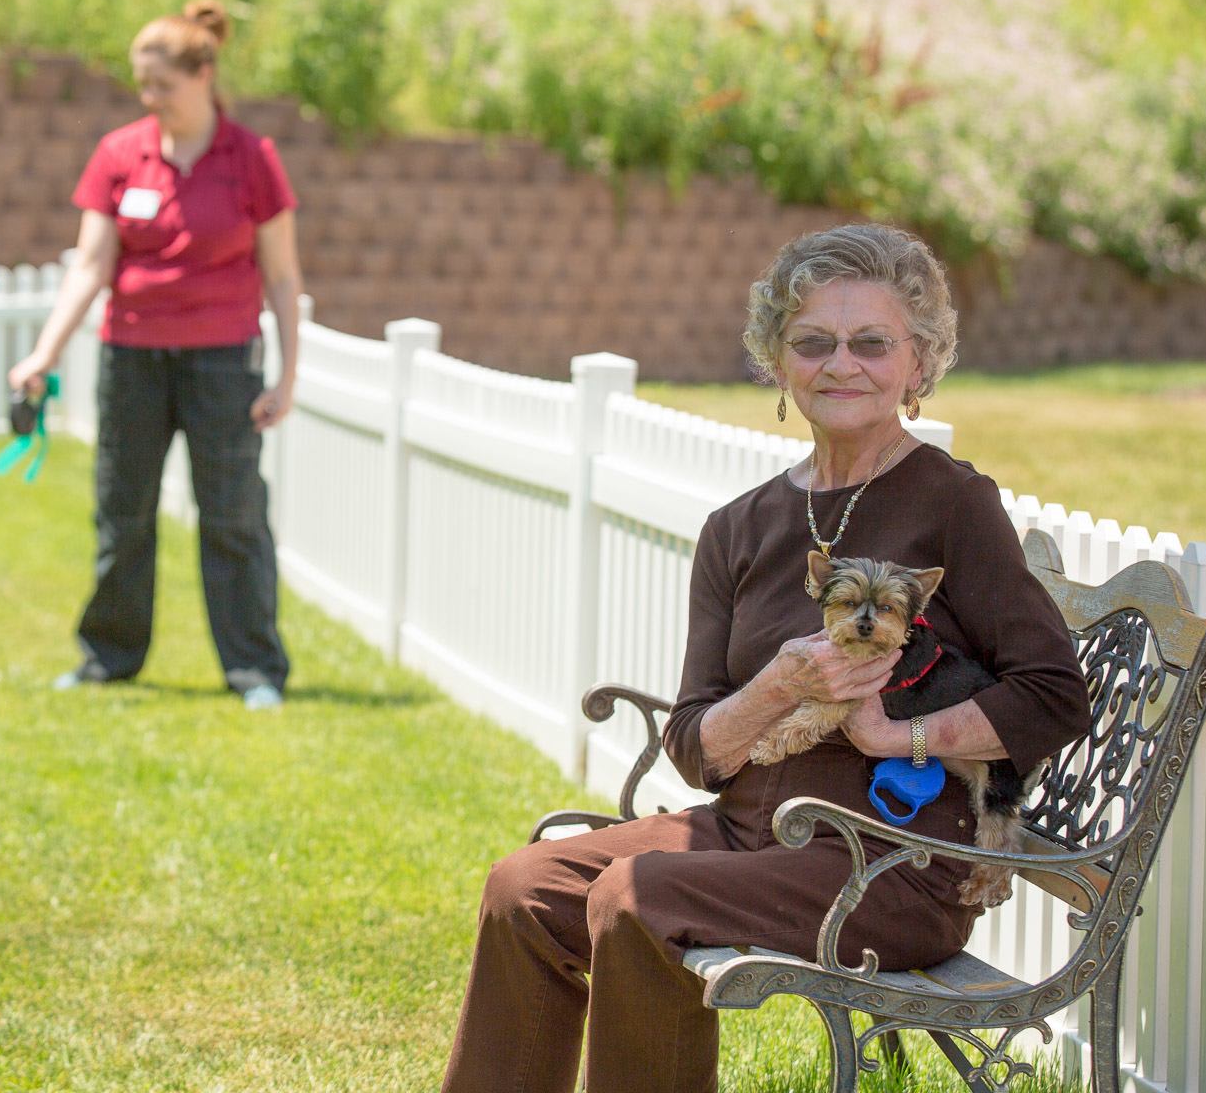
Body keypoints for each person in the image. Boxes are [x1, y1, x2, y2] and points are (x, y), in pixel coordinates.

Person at [439, 223, 1090, 1092]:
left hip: (890, 864)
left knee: (637, 900)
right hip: (747, 834)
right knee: (526, 887)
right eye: (812, 342)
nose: (840, 364)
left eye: (872, 343)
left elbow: (1053, 697)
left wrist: (894, 737)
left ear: (919, 363)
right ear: (777, 363)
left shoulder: (953, 503)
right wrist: (781, 683)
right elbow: (695, 748)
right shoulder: (739, 527)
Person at [8, 0, 301, 711]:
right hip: (132, 357)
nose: (151, 99)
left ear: (203, 74)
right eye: (143, 85)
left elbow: (284, 275)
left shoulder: (252, 160)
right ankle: (108, 659)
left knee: (232, 516)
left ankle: (254, 669)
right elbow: (90, 264)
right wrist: (42, 354)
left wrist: (288, 375)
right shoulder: (119, 154)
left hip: (222, 360)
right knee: (123, 511)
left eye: (162, 84)